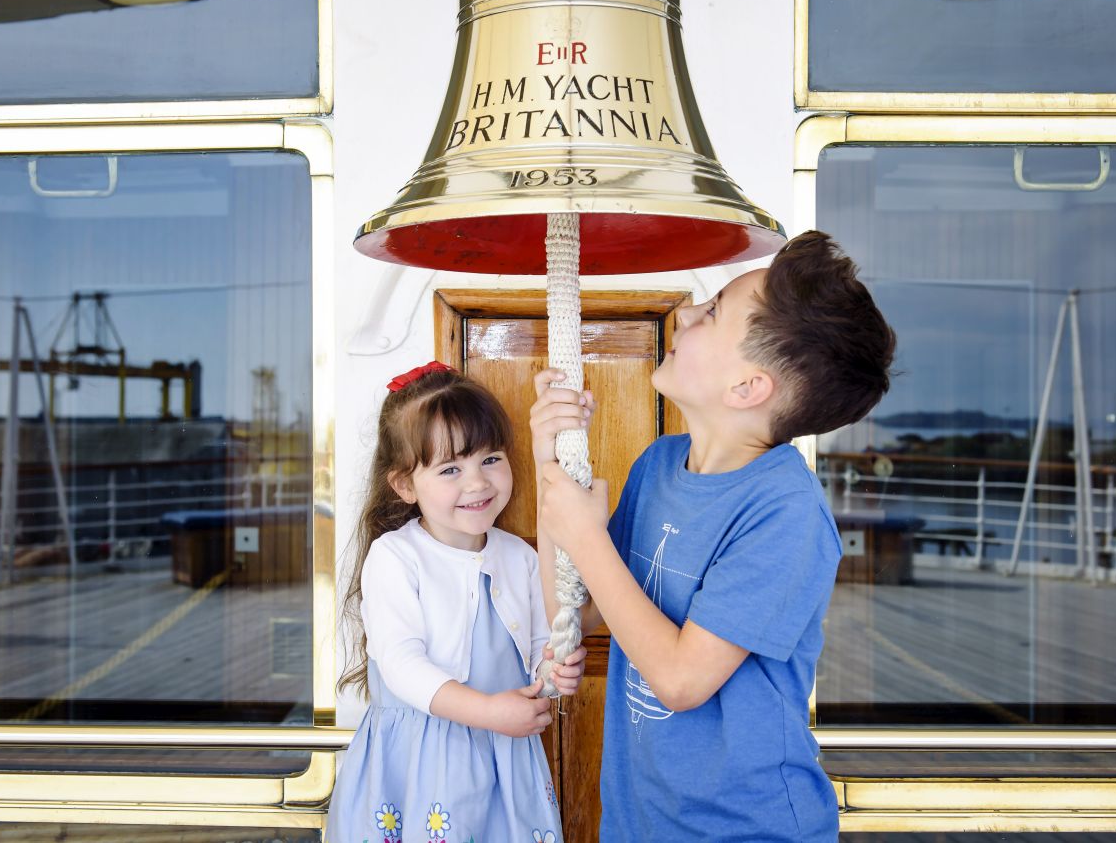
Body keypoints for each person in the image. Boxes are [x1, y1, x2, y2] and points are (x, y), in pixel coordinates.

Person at [530, 230, 896, 842]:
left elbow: (681, 682)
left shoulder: (787, 513)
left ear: (747, 388)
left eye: (713, 311)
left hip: (747, 829)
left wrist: (586, 537)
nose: (684, 312)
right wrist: (551, 466)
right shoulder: (657, 463)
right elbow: (578, 612)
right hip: (641, 821)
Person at [331, 361, 586, 843]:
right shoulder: (396, 557)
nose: (478, 483)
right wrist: (488, 712)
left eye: (490, 459)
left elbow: (537, 648)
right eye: (451, 469)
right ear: (404, 485)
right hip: (423, 761)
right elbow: (403, 666)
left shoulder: (519, 556)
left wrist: (551, 673)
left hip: (503, 761)